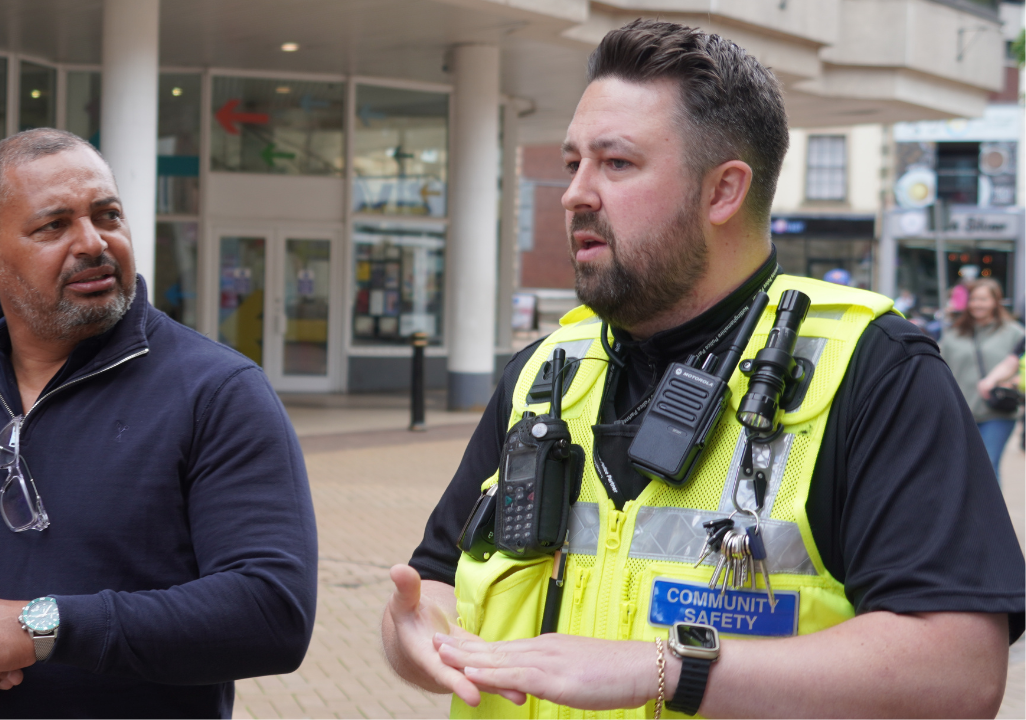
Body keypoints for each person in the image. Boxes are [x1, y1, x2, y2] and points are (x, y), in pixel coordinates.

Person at [381, 19, 1023, 719]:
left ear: (724, 191)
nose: (576, 194)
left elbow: (959, 670)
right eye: (573, 164)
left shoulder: (875, 370)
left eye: (616, 164)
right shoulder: (544, 371)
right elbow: (433, 587)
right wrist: (412, 635)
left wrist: (668, 670)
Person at [0, 129, 318, 718]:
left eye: (108, 216)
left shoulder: (218, 393)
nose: (93, 243)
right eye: (54, 226)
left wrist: (41, 625)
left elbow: (270, 611)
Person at [941, 278, 1025, 480]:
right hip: (961, 413)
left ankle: (991, 512)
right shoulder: (953, 334)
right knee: (959, 471)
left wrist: (1012, 382)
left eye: (984, 299)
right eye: (974, 299)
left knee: (987, 467)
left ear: (996, 301)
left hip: (996, 412)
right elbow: (939, 368)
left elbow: (1019, 365)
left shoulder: (1013, 332)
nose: (978, 304)